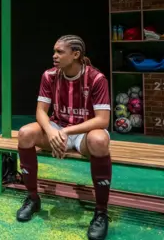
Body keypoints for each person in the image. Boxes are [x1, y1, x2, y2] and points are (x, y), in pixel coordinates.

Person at [16, 35, 111, 240]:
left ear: (75, 54)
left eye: (60, 52)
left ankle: (101, 212)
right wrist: (51, 132)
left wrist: (67, 132)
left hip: (83, 132)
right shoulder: (49, 75)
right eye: (54, 51)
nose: (54, 56)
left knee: (100, 141)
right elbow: (41, 111)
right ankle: (33, 198)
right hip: (57, 128)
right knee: (24, 134)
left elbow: (103, 120)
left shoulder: (96, 78)